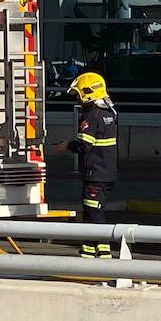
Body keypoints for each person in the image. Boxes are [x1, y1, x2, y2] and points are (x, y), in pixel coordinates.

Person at [65, 71, 117, 259]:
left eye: (79, 95)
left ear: (88, 93)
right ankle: (87, 249)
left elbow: (84, 145)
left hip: (95, 174)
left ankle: (103, 250)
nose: (78, 100)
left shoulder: (90, 117)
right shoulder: (108, 114)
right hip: (106, 173)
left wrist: (67, 146)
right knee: (90, 209)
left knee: (93, 211)